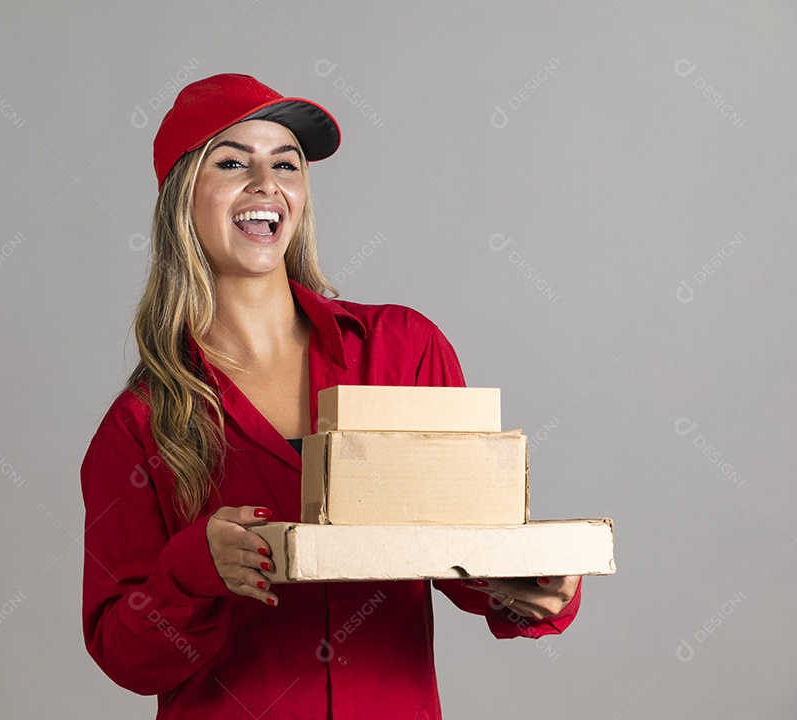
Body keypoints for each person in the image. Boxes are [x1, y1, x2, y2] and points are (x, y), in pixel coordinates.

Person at [81, 72, 582, 719]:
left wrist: (526, 585)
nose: (266, 184)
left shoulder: (403, 349)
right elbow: (124, 655)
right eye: (233, 162)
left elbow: (463, 542)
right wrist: (194, 569)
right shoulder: (140, 424)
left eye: (285, 164)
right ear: (183, 195)